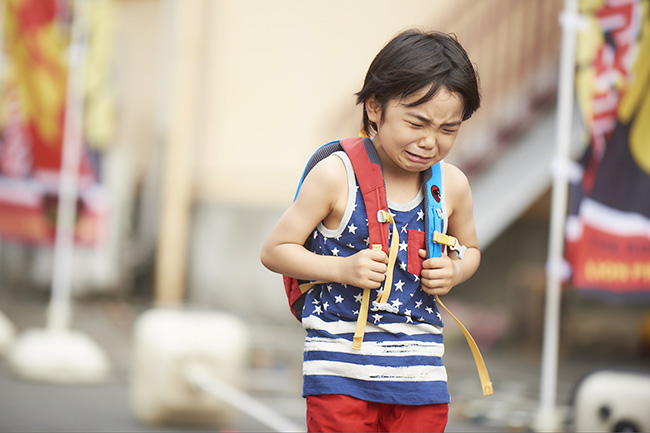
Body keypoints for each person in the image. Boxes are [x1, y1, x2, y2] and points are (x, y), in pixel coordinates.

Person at [260, 28, 481, 432]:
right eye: (417, 122)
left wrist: (456, 269)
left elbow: (470, 249)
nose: (430, 141)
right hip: (341, 375)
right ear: (375, 107)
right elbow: (275, 250)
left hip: (421, 379)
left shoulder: (451, 186)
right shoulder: (335, 175)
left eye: (448, 129)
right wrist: (342, 270)